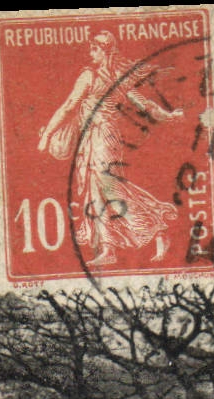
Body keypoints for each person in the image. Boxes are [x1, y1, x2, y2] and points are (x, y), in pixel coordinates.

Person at [36, 31, 183, 266]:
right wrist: (169, 116)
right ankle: (108, 248)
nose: (90, 53)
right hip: (92, 138)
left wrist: (47, 136)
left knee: (111, 188)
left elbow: (68, 107)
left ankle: (156, 228)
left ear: (104, 51)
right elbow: (142, 104)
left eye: (94, 49)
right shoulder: (110, 76)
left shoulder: (96, 76)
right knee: (94, 193)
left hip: (104, 136)